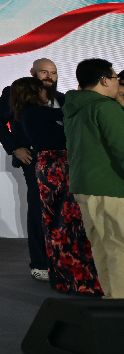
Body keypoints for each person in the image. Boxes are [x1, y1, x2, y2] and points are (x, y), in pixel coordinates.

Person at [16, 75, 101, 295]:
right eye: (42, 89)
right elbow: (67, 120)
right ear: (34, 92)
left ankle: (65, 277)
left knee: (58, 221)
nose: (48, 91)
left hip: (52, 167)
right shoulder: (37, 113)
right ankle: (73, 276)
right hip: (57, 167)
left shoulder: (30, 113)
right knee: (65, 222)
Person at [0, 58, 61, 281]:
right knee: (39, 209)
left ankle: (62, 261)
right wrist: (15, 148)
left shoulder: (62, 98)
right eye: (44, 72)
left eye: (53, 72)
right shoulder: (15, 93)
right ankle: (40, 263)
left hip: (63, 162)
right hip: (34, 160)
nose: (49, 76)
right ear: (32, 72)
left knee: (62, 211)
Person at [63, 58, 124, 298]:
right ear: (104, 80)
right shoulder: (105, 108)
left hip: (85, 185)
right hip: (111, 186)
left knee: (102, 247)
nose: (118, 83)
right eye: (115, 78)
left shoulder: (74, 108)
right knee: (118, 248)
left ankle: (113, 299)